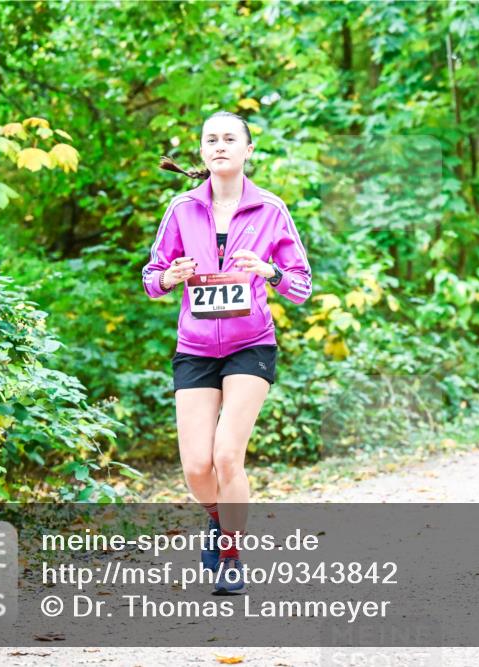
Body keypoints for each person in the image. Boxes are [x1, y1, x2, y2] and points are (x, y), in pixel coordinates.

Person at [141, 111, 313, 594]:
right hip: (195, 347)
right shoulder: (181, 209)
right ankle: (218, 519)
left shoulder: (271, 210)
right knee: (196, 466)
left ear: (247, 149)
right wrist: (169, 277)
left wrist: (267, 270)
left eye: (230, 138)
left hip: (250, 345)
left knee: (226, 454)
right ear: (201, 151)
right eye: (211, 139)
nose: (220, 145)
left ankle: (232, 556)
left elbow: (301, 286)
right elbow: (152, 277)